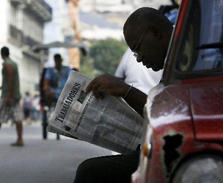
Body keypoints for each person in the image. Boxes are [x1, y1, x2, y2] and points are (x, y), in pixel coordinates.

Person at [73, 7, 173, 183]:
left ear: (156, 33)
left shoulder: (188, 61)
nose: (139, 58)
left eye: (138, 48)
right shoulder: (173, 64)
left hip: (174, 155)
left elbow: (167, 115)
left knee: (89, 172)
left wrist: (125, 90)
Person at [42, 54, 71, 140]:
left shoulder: (67, 70)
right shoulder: (50, 70)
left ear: (61, 61)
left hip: (64, 92)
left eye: (59, 60)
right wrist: (47, 89)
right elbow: (46, 82)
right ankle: (47, 109)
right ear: (54, 61)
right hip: (53, 92)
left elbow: (71, 80)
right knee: (47, 95)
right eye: (56, 61)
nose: (57, 62)